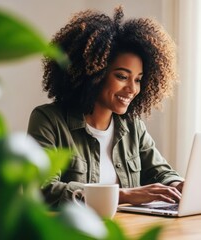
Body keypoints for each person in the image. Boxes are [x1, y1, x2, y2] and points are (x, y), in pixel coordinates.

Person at [27, 6, 184, 208]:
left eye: (138, 80)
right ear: (94, 74)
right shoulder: (48, 120)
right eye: (122, 76)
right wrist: (124, 195)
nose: (132, 89)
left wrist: (179, 186)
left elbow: (160, 172)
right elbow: (43, 190)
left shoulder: (132, 126)